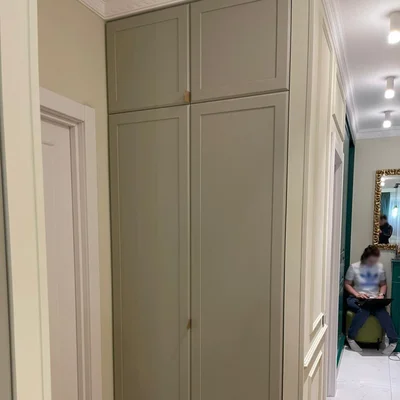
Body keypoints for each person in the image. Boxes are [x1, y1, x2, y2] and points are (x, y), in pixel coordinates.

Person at [344, 245, 398, 355]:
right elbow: (347, 284)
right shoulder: (354, 267)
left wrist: (381, 295)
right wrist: (357, 294)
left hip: (373, 299)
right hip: (356, 298)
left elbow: (383, 285)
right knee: (363, 310)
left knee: (382, 312)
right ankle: (351, 337)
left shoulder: (380, 267)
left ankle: (393, 341)